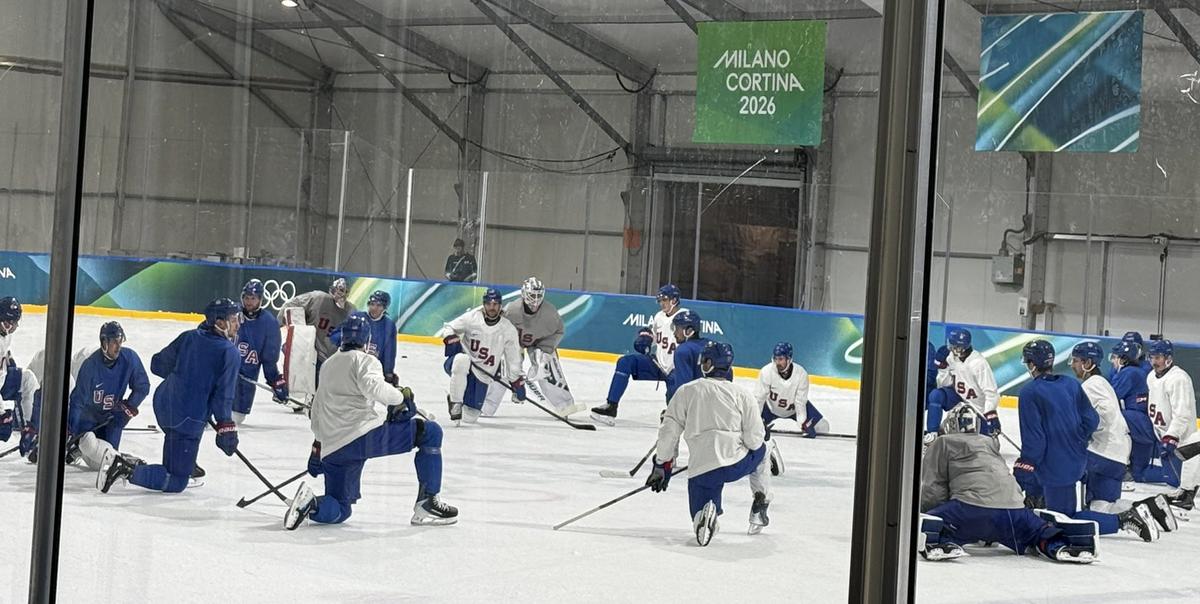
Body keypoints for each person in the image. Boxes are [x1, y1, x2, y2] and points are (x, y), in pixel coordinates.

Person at [284, 315, 456, 529]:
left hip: (333, 448)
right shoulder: (365, 360)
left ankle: (311, 504)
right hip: (361, 437)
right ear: (366, 340)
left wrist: (318, 447)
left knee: (340, 507)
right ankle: (427, 503)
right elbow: (374, 388)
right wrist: (401, 397)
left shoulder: (328, 365)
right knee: (430, 432)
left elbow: (317, 409)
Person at [1011, 340, 1162, 542]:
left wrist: (1022, 470)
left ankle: (1123, 519)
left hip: (1059, 465)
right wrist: (1074, 440)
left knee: (1062, 520)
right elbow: (1091, 419)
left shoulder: (1029, 392)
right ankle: (1038, 502)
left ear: (1031, 364)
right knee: (1078, 507)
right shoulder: (1070, 384)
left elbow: (1035, 442)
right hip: (1079, 460)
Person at [920, 405, 1099, 563]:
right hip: (1013, 510)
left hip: (968, 511)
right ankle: (1057, 544)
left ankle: (941, 540)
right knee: (1036, 532)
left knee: (927, 521)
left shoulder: (943, 442)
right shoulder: (990, 442)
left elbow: (933, 489)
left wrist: (930, 512)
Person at [98, 298, 242, 494]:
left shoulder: (190, 336)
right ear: (219, 322)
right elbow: (223, 396)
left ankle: (186, 461)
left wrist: (188, 375)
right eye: (233, 319)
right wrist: (226, 427)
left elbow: (158, 364)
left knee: (182, 436)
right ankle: (126, 469)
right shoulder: (230, 352)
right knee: (176, 481)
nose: (238, 323)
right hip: (187, 417)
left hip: (164, 404)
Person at [647, 341, 769, 546]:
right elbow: (755, 440)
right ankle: (760, 502)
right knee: (764, 450)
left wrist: (662, 464)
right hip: (735, 464)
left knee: (700, 508)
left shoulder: (686, 391)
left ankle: (704, 517)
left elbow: (669, 431)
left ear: (708, 363)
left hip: (701, 469)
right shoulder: (742, 394)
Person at [591, 284, 687, 425]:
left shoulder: (685, 316)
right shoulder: (659, 317)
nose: (662, 304)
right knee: (625, 362)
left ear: (674, 300)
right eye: (660, 301)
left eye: (665, 300)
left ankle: (673, 413)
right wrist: (646, 337)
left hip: (678, 368)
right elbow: (655, 337)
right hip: (659, 364)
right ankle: (611, 406)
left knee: (674, 398)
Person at [63, 322, 150, 470]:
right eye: (114, 341)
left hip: (112, 418)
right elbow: (77, 402)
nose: (118, 346)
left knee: (102, 463)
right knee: (89, 445)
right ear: (104, 342)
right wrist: (75, 429)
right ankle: (89, 451)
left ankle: (116, 458)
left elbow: (142, 386)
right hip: (90, 421)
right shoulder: (90, 366)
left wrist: (129, 406)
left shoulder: (129, 358)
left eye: (120, 340)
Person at [437, 288, 523, 425]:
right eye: (489, 304)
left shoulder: (508, 329)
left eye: (495, 304)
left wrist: (516, 382)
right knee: (462, 360)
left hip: (483, 376)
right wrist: (450, 337)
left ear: (500, 305)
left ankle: (456, 398)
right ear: (484, 304)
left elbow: (513, 360)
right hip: (464, 365)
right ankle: (456, 402)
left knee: (470, 418)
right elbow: (448, 327)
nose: (492, 307)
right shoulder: (472, 318)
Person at [503, 277, 579, 415]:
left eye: (539, 296)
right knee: (501, 365)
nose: (535, 300)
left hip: (538, 343)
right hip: (514, 344)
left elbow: (558, 331)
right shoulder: (511, 310)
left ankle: (564, 405)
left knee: (547, 366)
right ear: (524, 294)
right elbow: (500, 330)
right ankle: (485, 403)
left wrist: (544, 352)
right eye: (532, 295)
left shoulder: (549, 313)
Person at [753, 342, 830, 476]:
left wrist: (803, 423)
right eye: (776, 359)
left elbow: (800, 401)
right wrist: (756, 420)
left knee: (823, 427)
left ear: (789, 359)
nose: (778, 362)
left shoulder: (801, 374)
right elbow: (759, 399)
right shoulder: (766, 372)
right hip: (770, 408)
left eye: (781, 359)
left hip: (794, 409)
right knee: (751, 427)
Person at [1143, 339, 1200, 511]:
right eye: (1152, 357)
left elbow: (1183, 413)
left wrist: (1172, 436)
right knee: (1173, 479)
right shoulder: (1151, 376)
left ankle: (1187, 494)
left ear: (1168, 358)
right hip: (1164, 432)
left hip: (1182, 435)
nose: (1154, 361)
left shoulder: (1179, 379)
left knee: (1193, 456)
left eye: (1158, 357)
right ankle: (1184, 491)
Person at [926, 328, 1000, 444]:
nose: (951, 348)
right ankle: (932, 434)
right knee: (936, 395)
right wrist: (942, 367)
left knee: (986, 443)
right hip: (957, 398)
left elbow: (991, 392)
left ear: (963, 347)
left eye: (954, 346)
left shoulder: (978, 363)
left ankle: (989, 436)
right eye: (950, 345)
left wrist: (990, 414)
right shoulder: (951, 357)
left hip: (976, 406)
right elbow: (943, 384)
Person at [277, 277, 357, 375]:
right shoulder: (318, 298)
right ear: (333, 289)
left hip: (332, 361)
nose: (341, 294)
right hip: (310, 355)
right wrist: (285, 331)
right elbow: (290, 305)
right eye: (339, 289)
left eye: (344, 291)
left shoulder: (350, 311)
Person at [234, 279, 287, 424]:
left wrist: (276, 381)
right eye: (246, 297)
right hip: (220, 378)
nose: (249, 302)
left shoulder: (269, 324)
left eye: (253, 298)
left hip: (244, 386)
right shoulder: (231, 314)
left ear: (260, 300)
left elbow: (269, 361)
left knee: (235, 419)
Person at [331, 290, 398, 386]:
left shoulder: (389, 325)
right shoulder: (356, 317)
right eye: (372, 304)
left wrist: (388, 372)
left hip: (371, 370)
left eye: (379, 305)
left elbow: (389, 351)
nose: (374, 308)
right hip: (351, 366)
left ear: (385, 308)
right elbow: (335, 336)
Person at [1110, 341, 1155, 482]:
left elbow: (1110, 395)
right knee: (1140, 472)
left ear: (1123, 358)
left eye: (1115, 357)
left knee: (1111, 420)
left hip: (1137, 421)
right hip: (1144, 423)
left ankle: (1118, 466)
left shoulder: (1128, 373)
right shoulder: (1139, 371)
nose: (1113, 361)